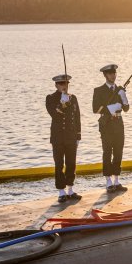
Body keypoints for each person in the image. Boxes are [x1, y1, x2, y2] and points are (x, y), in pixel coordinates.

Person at [92, 64, 130, 192]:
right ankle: (108, 181)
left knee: (118, 151)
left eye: (114, 73)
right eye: (110, 74)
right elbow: (95, 108)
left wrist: (124, 98)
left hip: (118, 123)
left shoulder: (119, 89)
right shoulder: (99, 90)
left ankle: (117, 180)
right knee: (107, 152)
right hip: (106, 124)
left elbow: (126, 108)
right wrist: (111, 108)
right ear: (105, 75)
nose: (113, 76)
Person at [46, 73, 81, 202]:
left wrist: (78, 135)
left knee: (71, 163)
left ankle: (70, 189)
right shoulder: (50, 98)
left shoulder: (73, 98)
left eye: (66, 83)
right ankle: (61, 191)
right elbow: (54, 115)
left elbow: (77, 117)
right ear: (56, 85)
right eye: (61, 84)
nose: (64, 86)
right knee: (59, 164)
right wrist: (62, 103)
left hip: (71, 137)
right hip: (58, 138)